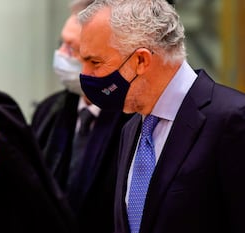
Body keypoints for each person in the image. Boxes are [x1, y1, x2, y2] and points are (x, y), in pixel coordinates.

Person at [77, 1, 245, 233]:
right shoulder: (132, 128)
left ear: (141, 61)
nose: (84, 75)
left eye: (95, 62)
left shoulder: (233, 118)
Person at [30, 0, 132, 232]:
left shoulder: (132, 115)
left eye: (73, 49)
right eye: (61, 44)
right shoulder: (49, 110)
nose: (60, 55)